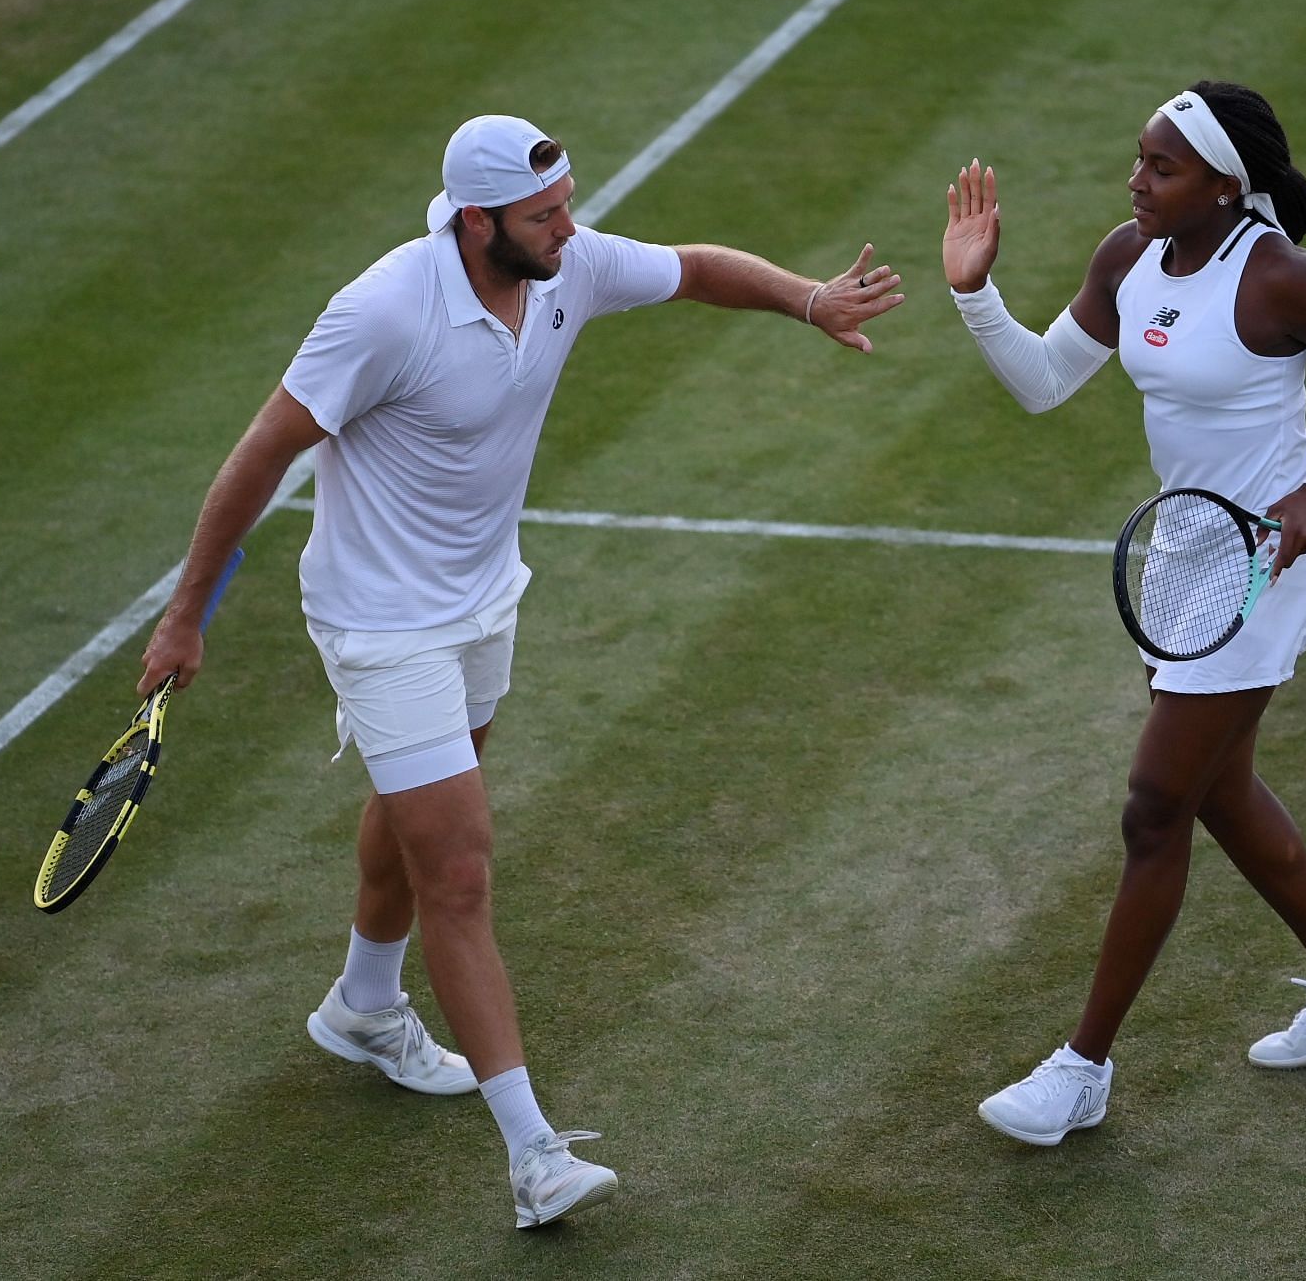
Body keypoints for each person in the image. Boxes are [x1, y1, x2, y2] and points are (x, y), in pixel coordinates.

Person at [138, 113, 904, 1224]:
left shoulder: (565, 265)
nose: (570, 225)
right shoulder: (382, 311)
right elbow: (261, 455)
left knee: (419, 812)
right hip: (380, 620)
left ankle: (361, 1004)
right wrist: (185, 615)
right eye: (546, 213)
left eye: (569, 203)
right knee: (458, 870)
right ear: (479, 218)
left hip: (483, 602)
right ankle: (534, 1153)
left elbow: (693, 269)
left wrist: (807, 298)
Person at [942, 82, 1306, 1146]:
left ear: (1226, 185)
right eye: (1139, 160)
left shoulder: (1286, 279)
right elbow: (1040, 382)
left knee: (1155, 804)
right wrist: (976, 293)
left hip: (1270, 566)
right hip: (1184, 561)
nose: (1137, 181)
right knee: (1216, 791)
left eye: (1162, 168)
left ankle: (1082, 1068)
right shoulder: (1128, 255)